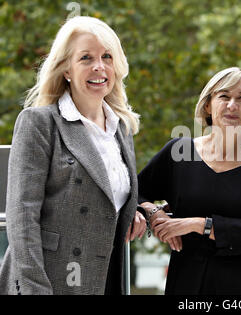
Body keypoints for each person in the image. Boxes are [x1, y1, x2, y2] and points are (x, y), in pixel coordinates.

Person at [0, 16, 146, 295]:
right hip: (50, 281)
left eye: (107, 56)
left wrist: (138, 209)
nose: (99, 66)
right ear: (66, 69)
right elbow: (21, 218)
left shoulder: (122, 129)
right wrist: (34, 288)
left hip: (105, 278)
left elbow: (108, 196)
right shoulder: (39, 122)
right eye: (86, 58)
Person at [138, 67, 241, 295]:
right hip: (185, 280)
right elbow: (135, 191)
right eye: (224, 96)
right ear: (208, 105)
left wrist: (198, 224)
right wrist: (154, 213)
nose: (232, 105)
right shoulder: (179, 152)